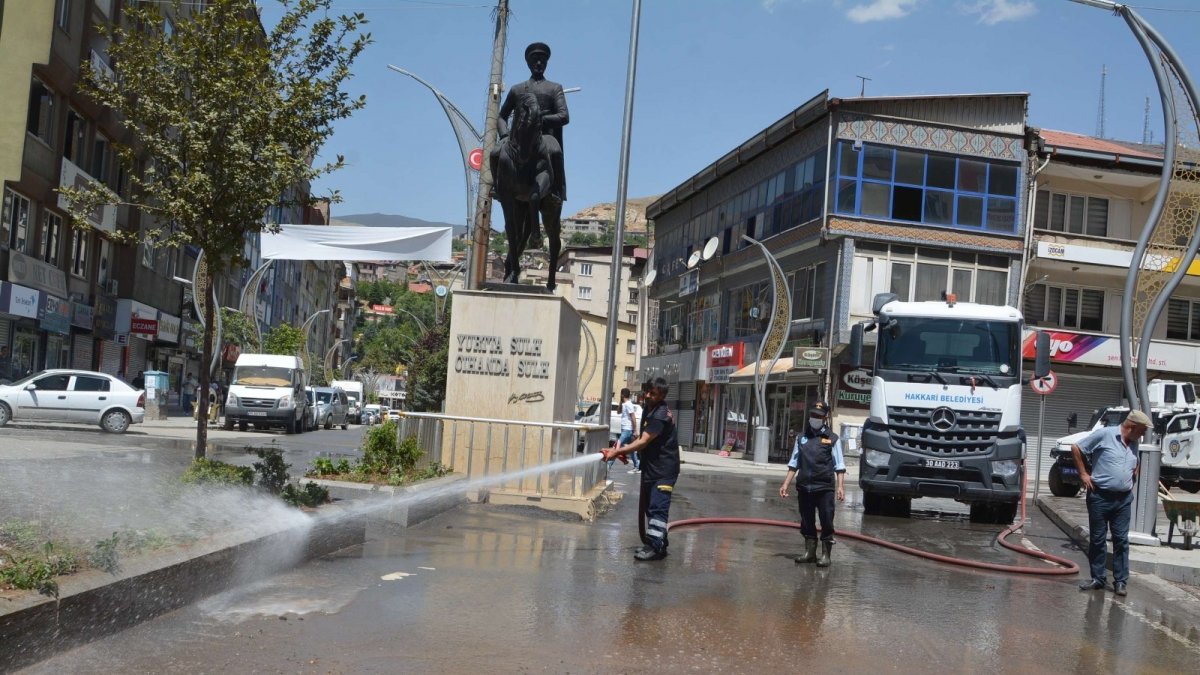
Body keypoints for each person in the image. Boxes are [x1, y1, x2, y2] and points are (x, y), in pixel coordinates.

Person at [495, 41, 569, 246]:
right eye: (535, 60)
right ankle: (498, 187)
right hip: (518, 138)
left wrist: (539, 120)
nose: (539, 63)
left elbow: (564, 116)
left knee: (554, 151)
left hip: (544, 135)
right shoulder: (517, 90)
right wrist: (504, 136)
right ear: (528, 62)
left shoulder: (554, 88)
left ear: (546, 63)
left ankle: (555, 190)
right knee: (495, 153)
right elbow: (501, 116)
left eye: (542, 60)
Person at [1073, 408, 1148, 596]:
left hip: (1122, 500)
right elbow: (1077, 448)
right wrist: (1083, 473)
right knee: (1098, 539)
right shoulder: (1105, 435)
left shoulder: (1134, 442)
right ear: (1132, 426)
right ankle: (1098, 578)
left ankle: (1120, 581)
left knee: (1121, 540)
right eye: (1143, 430)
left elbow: (1134, 462)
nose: (1144, 434)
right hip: (1100, 497)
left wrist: (1132, 476)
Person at [602, 377, 678, 561]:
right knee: (650, 509)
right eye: (647, 392)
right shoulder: (650, 409)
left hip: (663, 470)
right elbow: (638, 438)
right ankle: (658, 542)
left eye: (653, 394)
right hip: (651, 468)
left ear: (663, 395)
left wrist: (617, 451)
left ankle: (654, 546)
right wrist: (620, 451)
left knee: (657, 508)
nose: (648, 396)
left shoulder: (660, 414)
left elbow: (643, 441)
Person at [779, 401, 846, 568]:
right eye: (813, 415)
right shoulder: (802, 438)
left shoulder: (832, 439)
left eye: (818, 416)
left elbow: (839, 465)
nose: (814, 418)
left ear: (825, 417)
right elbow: (794, 462)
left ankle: (825, 555)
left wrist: (840, 487)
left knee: (826, 521)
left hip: (824, 488)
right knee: (807, 520)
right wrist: (786, 484)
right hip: (805, 487)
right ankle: (810, 553)